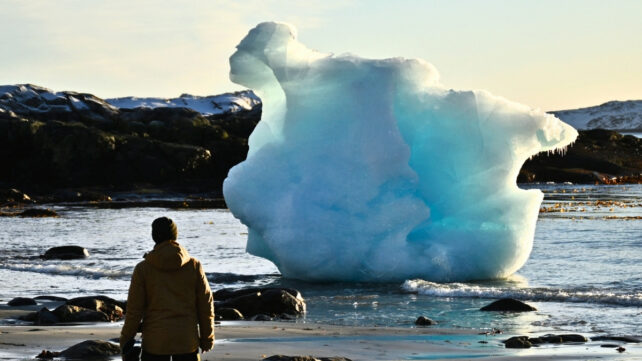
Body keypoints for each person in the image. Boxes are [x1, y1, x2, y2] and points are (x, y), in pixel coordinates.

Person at [120, 217, 214, 361]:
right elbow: (205, 305)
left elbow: (134, 310)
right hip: (186, 341)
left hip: (155, 343)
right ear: (174, 235)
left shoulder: (143, 269)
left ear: (154, 236)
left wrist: (125, 340)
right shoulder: (194, 266)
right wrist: (207, 338)